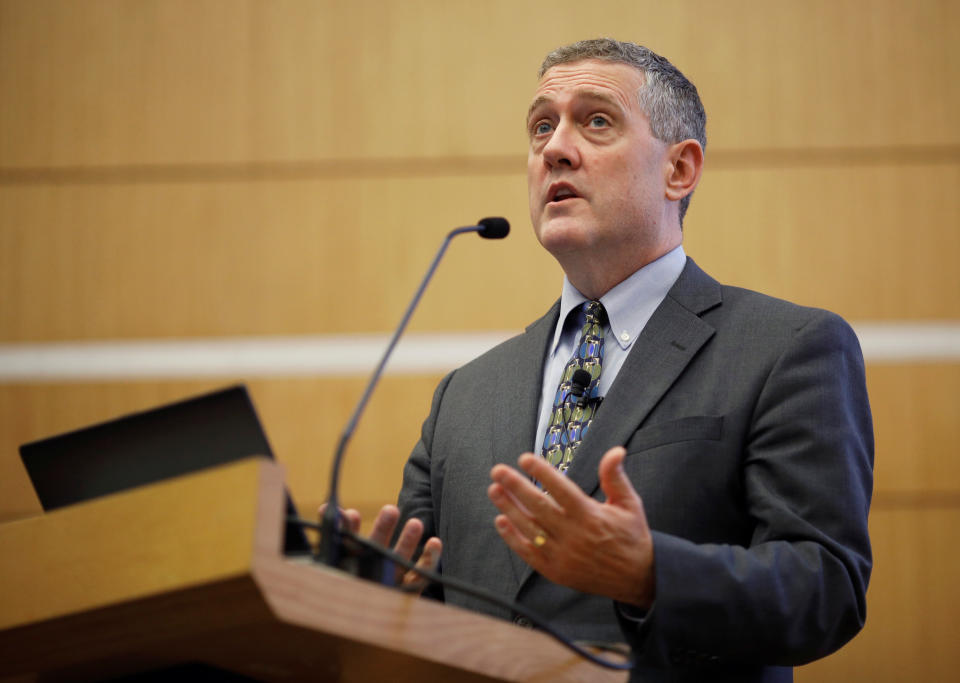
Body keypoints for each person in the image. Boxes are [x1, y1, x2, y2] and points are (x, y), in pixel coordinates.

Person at [343, 38, 873, 681]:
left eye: (596, 120)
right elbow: (431, 601)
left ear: (679, 170)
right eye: (541, 126)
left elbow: (825, 589)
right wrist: (376, 608)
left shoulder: (785, 349)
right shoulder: (466, 394)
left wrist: (650, 573)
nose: (555, 148)